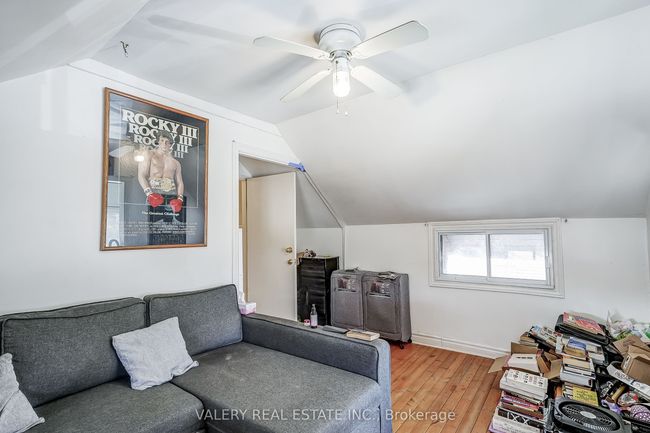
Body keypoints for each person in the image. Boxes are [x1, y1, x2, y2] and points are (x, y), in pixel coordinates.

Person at [137, 131, 184, 213]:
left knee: (171, 219)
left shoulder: (176, 163)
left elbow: (180, 182)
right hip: (153, 193)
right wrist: (149, 194)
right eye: (162, 140)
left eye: (167, 142)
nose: (164, 144)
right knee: (151, 218)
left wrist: (180, 199)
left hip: (171, 196)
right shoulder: (149, 154)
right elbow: (141, 175)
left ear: (170, 144)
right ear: (158, 141)